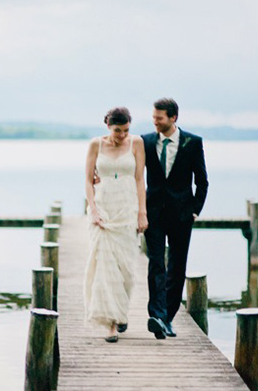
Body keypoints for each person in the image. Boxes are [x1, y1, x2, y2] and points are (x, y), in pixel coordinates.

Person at [141, 98, 209, 339]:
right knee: (156, 264)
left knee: (177, 267)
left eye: (159, 118)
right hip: (154, 214)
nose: (155, 121)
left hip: (182, 215)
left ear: (173, 118)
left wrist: (195, 210)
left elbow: (202, 181)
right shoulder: (145, 141)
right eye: (154, 117)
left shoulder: (193, 142)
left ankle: (168, 318)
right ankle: (157, 315)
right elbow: (136, 174)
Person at [84, 107, 148, 343]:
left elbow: (140, 180)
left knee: (126, 271)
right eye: (117, 130)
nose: (122, 135)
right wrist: (93, 211)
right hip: (103, 209)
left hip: (127, 208)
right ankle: (110, 323)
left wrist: (142, 213)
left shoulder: (136, 143)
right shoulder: (95, 145)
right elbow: (88, 181)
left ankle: (121, 311)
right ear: (108, 127)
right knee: (105, 267)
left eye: (126, 130)